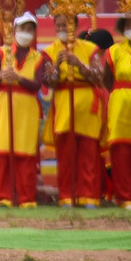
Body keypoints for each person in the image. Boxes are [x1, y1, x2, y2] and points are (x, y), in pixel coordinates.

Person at [0, 12, 47, 207]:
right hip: (4, 104)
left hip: (27, 107)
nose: (25, 33)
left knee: (25, 154)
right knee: (3, 152)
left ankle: (26, 198)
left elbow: (38, 84)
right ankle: (3, 197)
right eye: (22, 29)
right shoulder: (2, 53)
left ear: (34, 34)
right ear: (14, 30)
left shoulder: (38, 57)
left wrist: (19, 78)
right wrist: (2, 76)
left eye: (30, 30)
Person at [44, 20, 106, 207]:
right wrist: (57, 65)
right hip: (63, 104)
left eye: (67, 25)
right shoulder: (50, 51)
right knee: (66, 155)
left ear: (75, 26)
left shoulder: (90, 48)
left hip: (86, 104)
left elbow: (99, 77)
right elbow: (48, 82)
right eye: (60, 26)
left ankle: (89, 197)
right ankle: (67, 197)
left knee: (89, 154)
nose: (63, 29)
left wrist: (78, 64)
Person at [108, 18, 131, 206]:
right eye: (128, 25)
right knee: (121, 150)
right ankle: (124, 198)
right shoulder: (114, 51)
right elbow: (106, 80)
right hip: (121, 105)